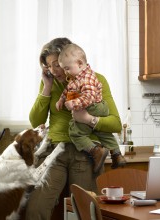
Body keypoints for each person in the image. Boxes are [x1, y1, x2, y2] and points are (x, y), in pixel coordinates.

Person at [26, 37, 123, 220]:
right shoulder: (51, 83)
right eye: (49, 66)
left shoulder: (96, 80)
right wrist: (47, 87)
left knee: (85, 213)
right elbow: (35, 120)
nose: (54, 71)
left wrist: (88, 119)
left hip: (86, 154)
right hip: (55, 152)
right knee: (35, 209)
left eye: (58, 65)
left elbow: (115, 123)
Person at [56, 43, 126, 173]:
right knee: (104, 133)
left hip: (93, 107)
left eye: (67, 68)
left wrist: (74, 104)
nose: (65, 72)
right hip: (96, 108)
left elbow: (89, 96)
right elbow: (68, 89)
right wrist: (61, 100)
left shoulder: (87, 78)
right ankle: (117, 154)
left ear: (80, 63)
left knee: (75, 132)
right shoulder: (77, 77)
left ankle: (96, 151)